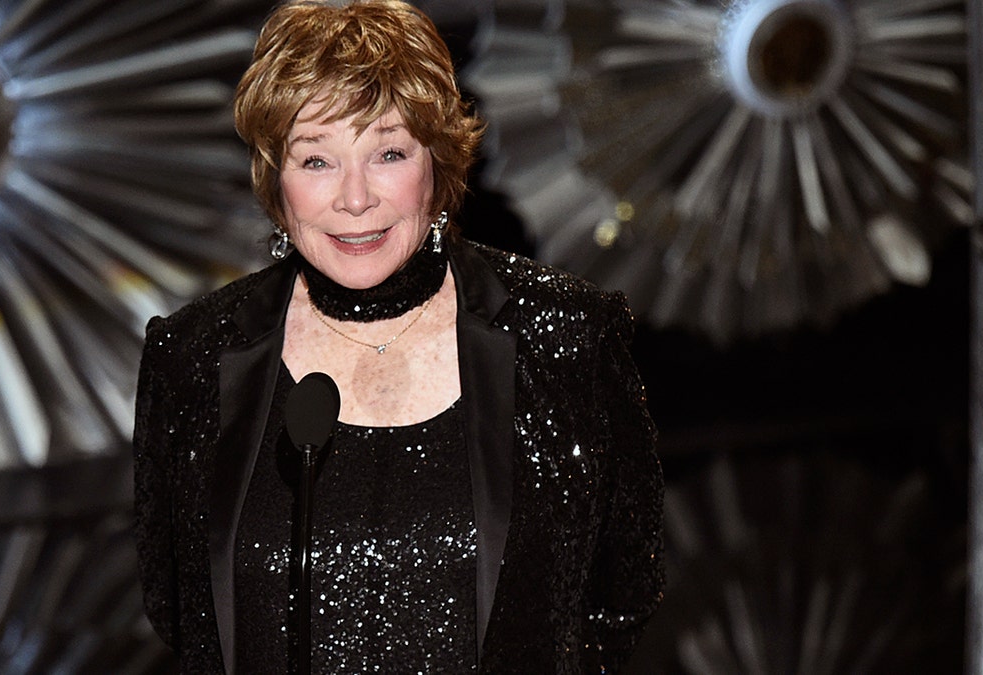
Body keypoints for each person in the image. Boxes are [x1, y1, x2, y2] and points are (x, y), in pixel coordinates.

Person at [132, 0, 664, 672]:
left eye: (387, 152)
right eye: (316, 160)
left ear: (435, 164)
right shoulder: (194, 357)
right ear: (276, 179)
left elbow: (621, 601)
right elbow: (178, 610)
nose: (355, 199)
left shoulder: (566, 339)